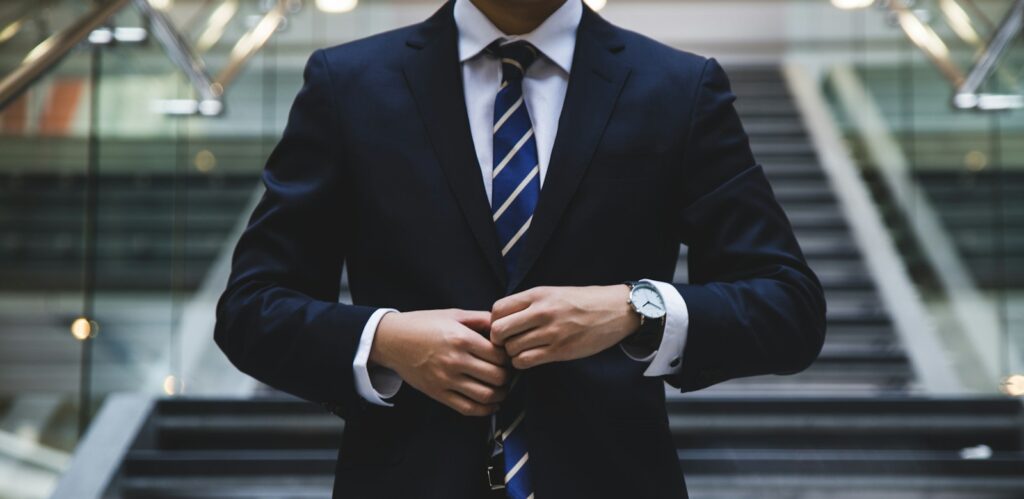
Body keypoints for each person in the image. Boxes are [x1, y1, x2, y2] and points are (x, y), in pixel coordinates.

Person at [214, 0, 826, 497]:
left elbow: (789, 306)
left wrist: (636, 309)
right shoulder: (348, 84)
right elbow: (250, 309)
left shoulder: (678, 88)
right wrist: (387, 342)